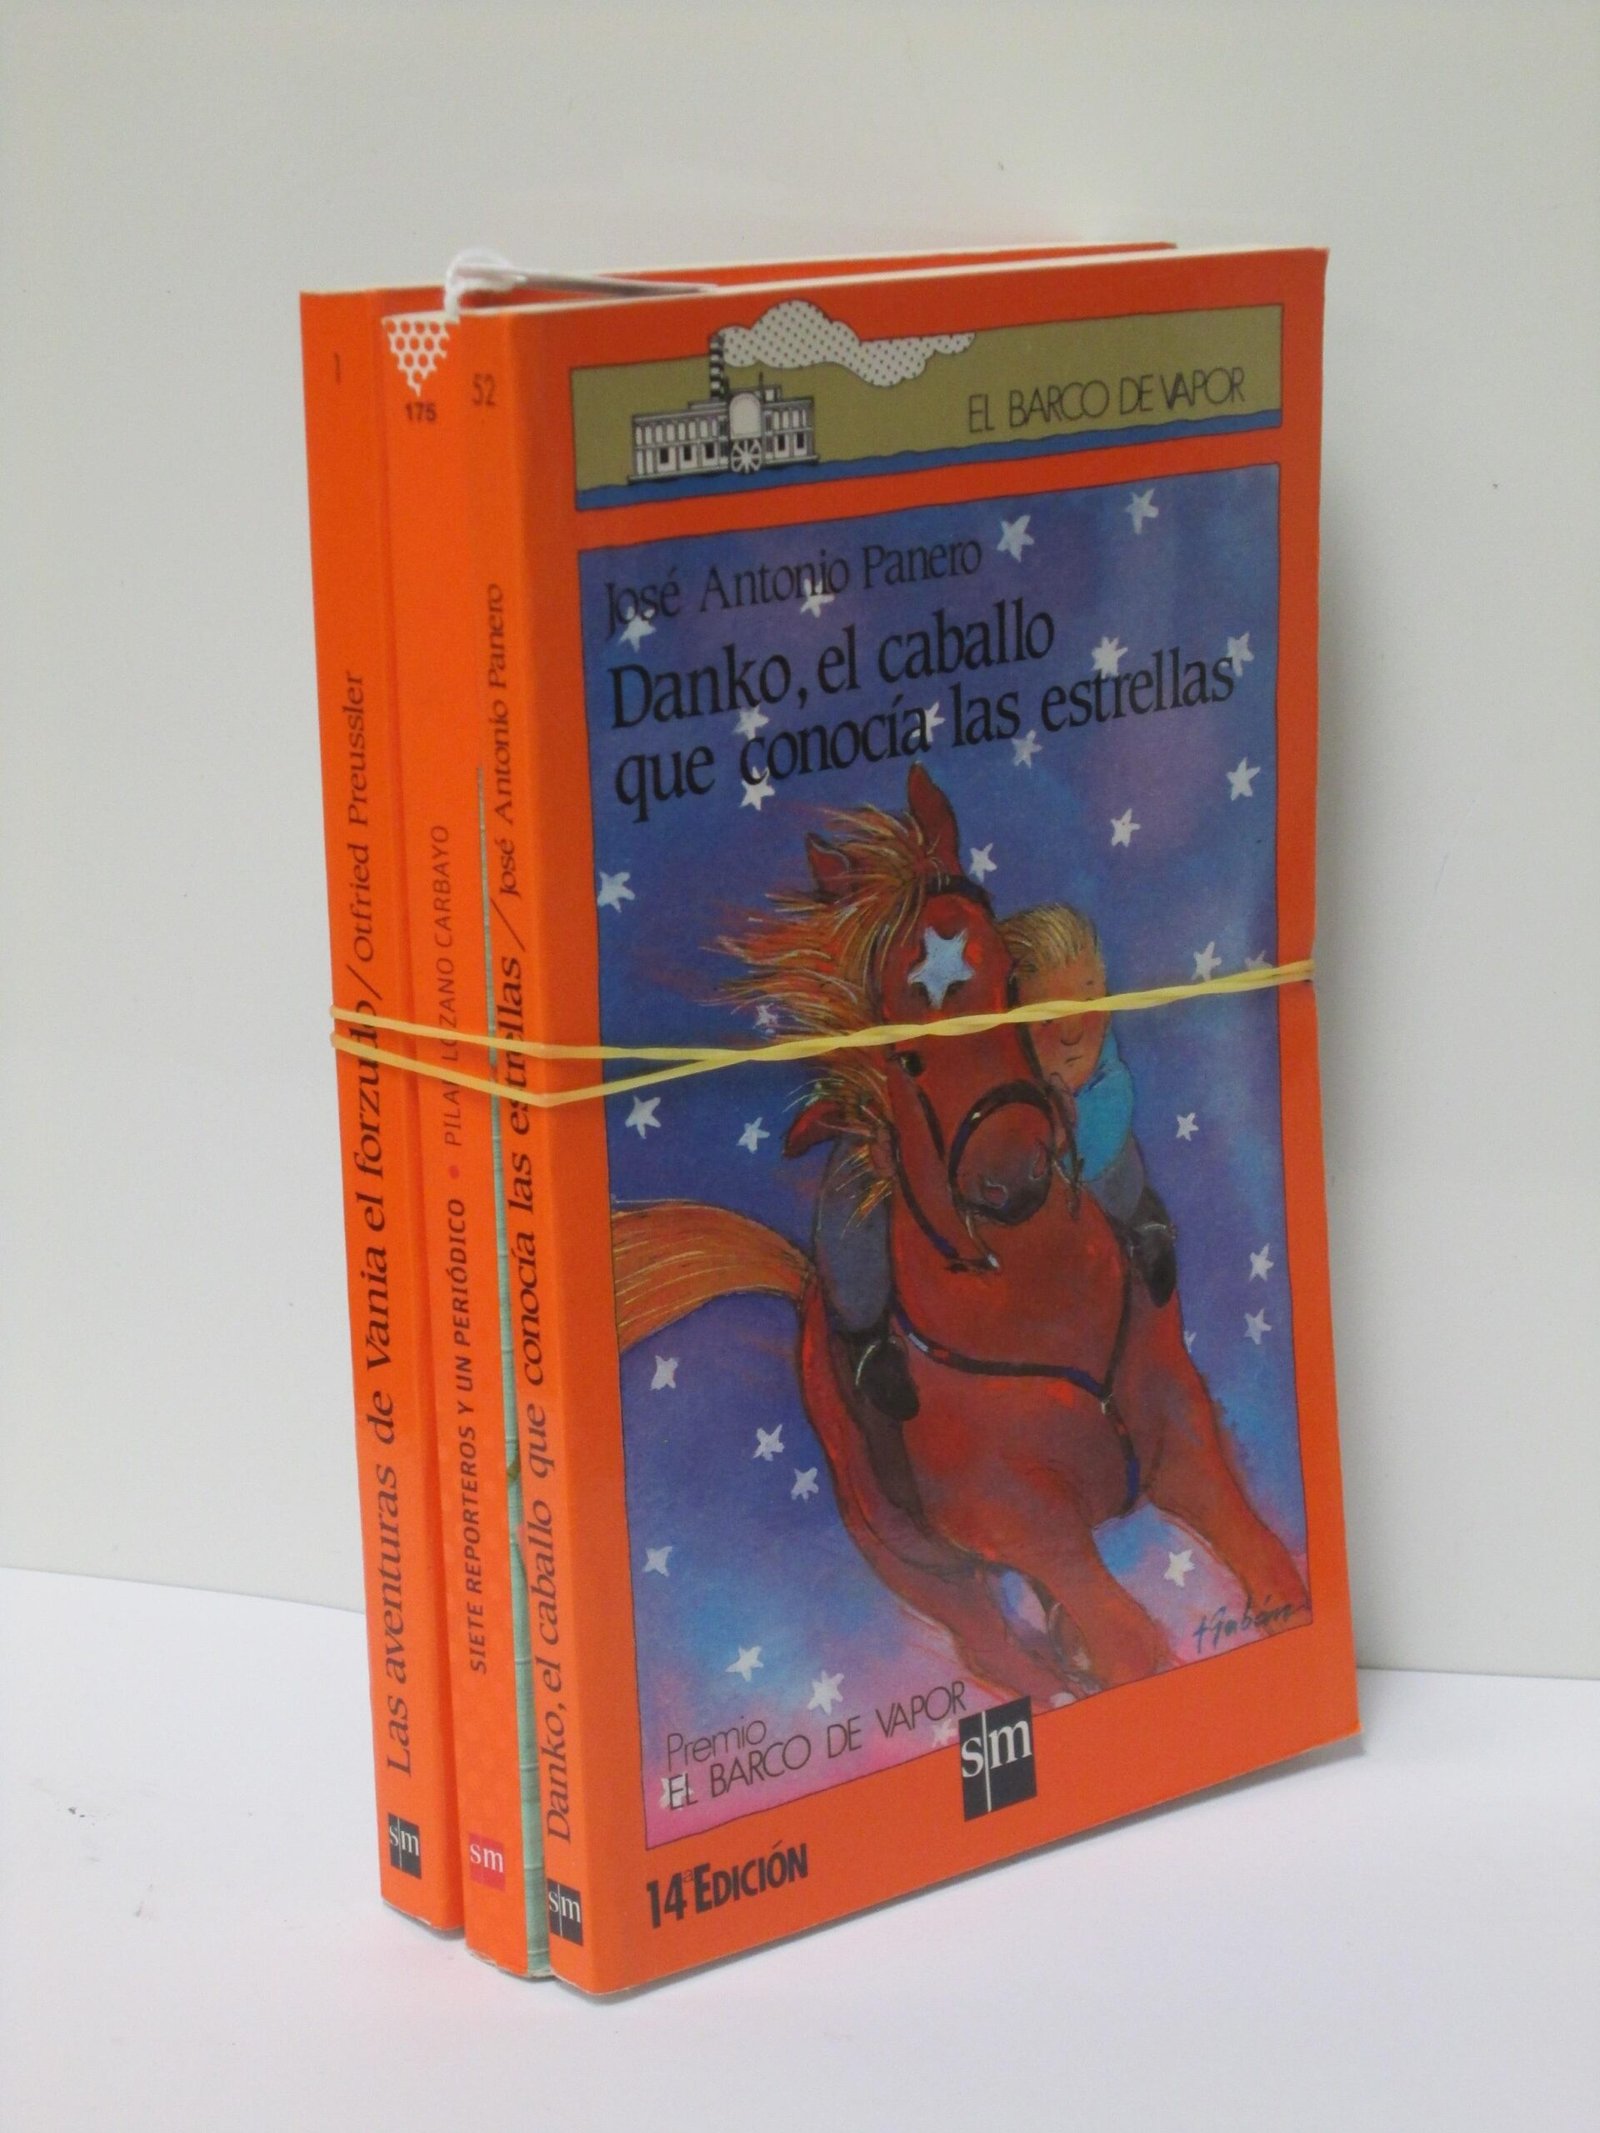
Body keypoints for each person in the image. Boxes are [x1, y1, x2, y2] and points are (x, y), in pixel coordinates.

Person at [817, 900, 1177, 1424]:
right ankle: (865, 1337)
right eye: (1046, 1016)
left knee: (1116, 1157)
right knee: (853, 1191)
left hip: (1074, 1142)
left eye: (1090, 999)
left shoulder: (1094, 1058)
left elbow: (1107, 1104)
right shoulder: (975, 1049)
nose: (1074, 1031)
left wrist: (1063, 1138)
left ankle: (1142, 1219)